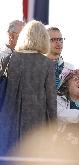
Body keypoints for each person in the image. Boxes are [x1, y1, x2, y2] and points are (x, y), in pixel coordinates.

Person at [0, 20, 57, 155]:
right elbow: (51, 102)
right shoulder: (47, 64)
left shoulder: (8, 60)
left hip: (8, 126)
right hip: (36, 130)